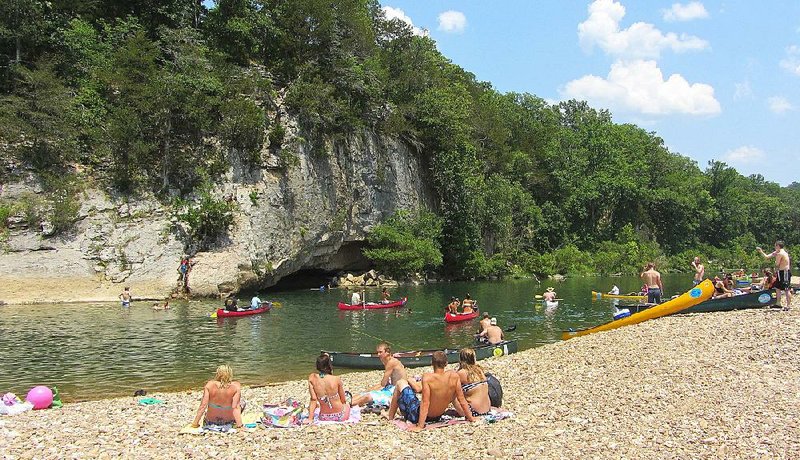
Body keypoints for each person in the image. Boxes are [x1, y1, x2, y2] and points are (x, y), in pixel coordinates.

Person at [386, 351, 475, 431]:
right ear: (446, 363)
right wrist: (470, 418)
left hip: (418, 416)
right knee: (411, 398)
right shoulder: (454, 376)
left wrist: (420, 426)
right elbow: (461, 399)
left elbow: (425, 403)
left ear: (432, 363)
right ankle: (392, 414)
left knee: (400, 383)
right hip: (437, 417)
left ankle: (390, 417)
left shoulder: (427, 378)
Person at [351, 342, 419, 408]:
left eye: (380, 352)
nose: (378, 354)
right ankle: (349, 400)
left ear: (387, 352)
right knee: (370, 390)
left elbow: (383, 383)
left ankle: (348, 404)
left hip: (396, 391)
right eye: (377, 352)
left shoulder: (391, 362)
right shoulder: (389, 361)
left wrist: (381, 386)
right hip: (394, 387)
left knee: (367, 395)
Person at [191, 365, 243, 430]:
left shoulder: (209, 385)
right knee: (242, 403)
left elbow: (203, 406)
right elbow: (236, 407)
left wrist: (195, 423)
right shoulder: (236, 386)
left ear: (217, 373)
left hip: (210, 422)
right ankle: (236, 422)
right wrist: (240, 426)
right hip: (229, 423)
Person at [306, 353, 350, 423]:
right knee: (347, 404)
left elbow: (313, 400)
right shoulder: (336, 379)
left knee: (318, 405)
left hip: (324, 417)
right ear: (329, 365)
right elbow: (343, 400)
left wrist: (310, 419)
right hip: (340, 416)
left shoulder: (312, 378)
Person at [452, 348, 491, 418]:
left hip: (473, 412)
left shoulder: (462, 373)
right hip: (487, 410)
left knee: (452, 393)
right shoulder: (479, 370)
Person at [757, 241, 793, 309]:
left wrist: (775, 258)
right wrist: (761, 251)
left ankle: (788, 305)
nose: (774, 247)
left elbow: (777, 264)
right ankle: (778, 303)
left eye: (775, 246)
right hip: (780, 272)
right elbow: (767, 257)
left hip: (784, 272)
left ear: (778, 246)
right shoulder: (777, 252)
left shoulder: (780, 253)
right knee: (777, 287)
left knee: (786, 289)